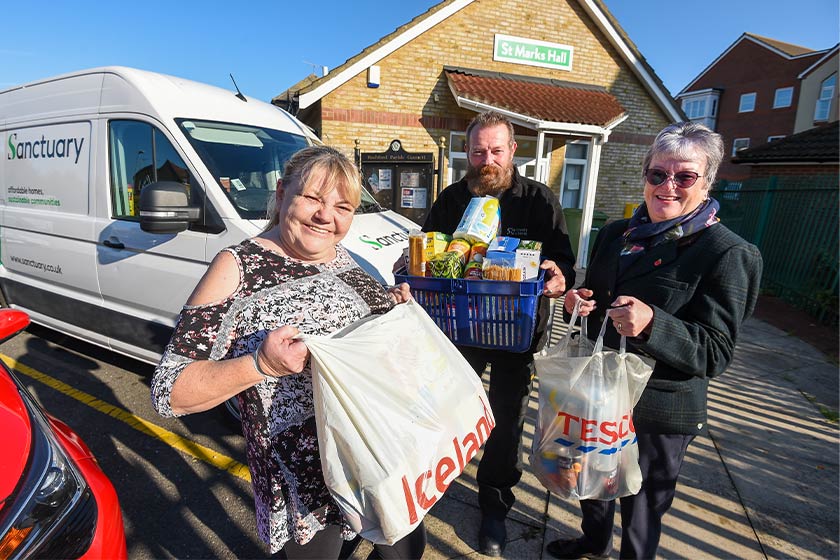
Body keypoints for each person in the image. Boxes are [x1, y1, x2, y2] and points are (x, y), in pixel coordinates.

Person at [150, 146, 425, 559]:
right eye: (313, 198)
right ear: (282, 195)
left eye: (343, 206)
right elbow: (169, 391)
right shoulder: (239, 268)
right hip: (308, 486)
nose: (326, 216)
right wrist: (260, 364)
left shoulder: (344, 256)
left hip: (377, 456)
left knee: (407, 551)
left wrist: (388, 309)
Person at [546, 122, 762, 560]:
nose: (668, 186)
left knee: (642, 506)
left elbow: (715, 351)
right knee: (593, 479)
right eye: (658, 174)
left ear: (707, 181)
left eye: (684, 176)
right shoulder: (616, 235)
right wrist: (577, 304)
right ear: (645, 176)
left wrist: (651, 324)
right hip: (602, 391)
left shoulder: (728, 252)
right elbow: (598, 298)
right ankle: (594, 542)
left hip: (661, 407)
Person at [422, 110, 577, 557]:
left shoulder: (538, 200)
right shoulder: (452, 200)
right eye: (477, 150)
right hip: (459, 328)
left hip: (516, 333)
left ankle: (494, 502)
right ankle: (431, 482)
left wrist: (556, 273)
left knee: (507, 419)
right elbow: (427, 249)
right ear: (467, 153)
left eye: (495, 149)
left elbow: (563, 260)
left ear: (512, 151)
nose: (486, 158)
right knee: (447, 407)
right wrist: (411, 267)